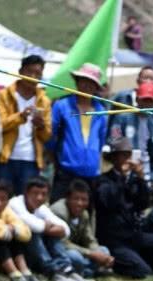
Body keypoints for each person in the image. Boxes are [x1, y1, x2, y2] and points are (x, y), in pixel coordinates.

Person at [9, 176, 91, 281]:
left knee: (53, 234)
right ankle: (53, 273)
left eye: (43, 194)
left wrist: (47, 228)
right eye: (35, 193)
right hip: (17, 254)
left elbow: (65, 229)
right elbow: (34, 226)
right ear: (26, 193)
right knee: (33, 233)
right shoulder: (15, 203)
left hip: (35, 253)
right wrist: (46, 227)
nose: (39, 197)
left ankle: (67, 270)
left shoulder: (40, 208)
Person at [94, 137, 153, 279]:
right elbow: (109, 202)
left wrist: (141, 179)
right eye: (123, 155)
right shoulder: (103, 180)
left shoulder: (133, 179)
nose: (127, 159)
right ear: (114, 158)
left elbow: (143, 204)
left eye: (129, 154)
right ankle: (116, 265)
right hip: (114, 240)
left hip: (133, 235)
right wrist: (121, 178)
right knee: (143, 271)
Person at [0, 55, 52, 196]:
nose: (33, 76)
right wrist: (21, 116)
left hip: (31, 161)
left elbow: (47, 136)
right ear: (20, 71)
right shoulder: (4, 95)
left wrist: (41, 126)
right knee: (1, 199)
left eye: (38, 73)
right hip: (5, 158)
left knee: (26, 203)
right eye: (29, 71)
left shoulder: (44, 101)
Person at [50, 63, 108, 201]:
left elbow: (102, 141)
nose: (87, 86)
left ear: (96, 88)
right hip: (66, 172)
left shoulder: (102, 112)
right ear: (77, 82)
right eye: (84, 81)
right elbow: (52, 135)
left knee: (84, 215)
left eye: (91, 83)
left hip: (90, 174)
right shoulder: (62, 106)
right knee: (58, 211)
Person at [51, 179, 114, 278]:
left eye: (84, 199)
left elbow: (89, 239)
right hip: (59, 251)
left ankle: (87, 271)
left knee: (104, 250)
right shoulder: (60, 212)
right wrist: (91, 254)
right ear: (67, 198)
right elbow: (63, 243)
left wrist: (99, 254)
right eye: (76, 199)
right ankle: (90, 271)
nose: (80, 203)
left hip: (77, 250)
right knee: (76, 258)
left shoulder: (84, 214)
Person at [109, 82, 153, 183]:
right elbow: (113, 138)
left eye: (150, 101)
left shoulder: (152, 124)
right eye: (144, 100)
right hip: (124, 170)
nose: (147, 104)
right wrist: (123, 158)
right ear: (137, 99)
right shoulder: (122, 117)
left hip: (145, 173)